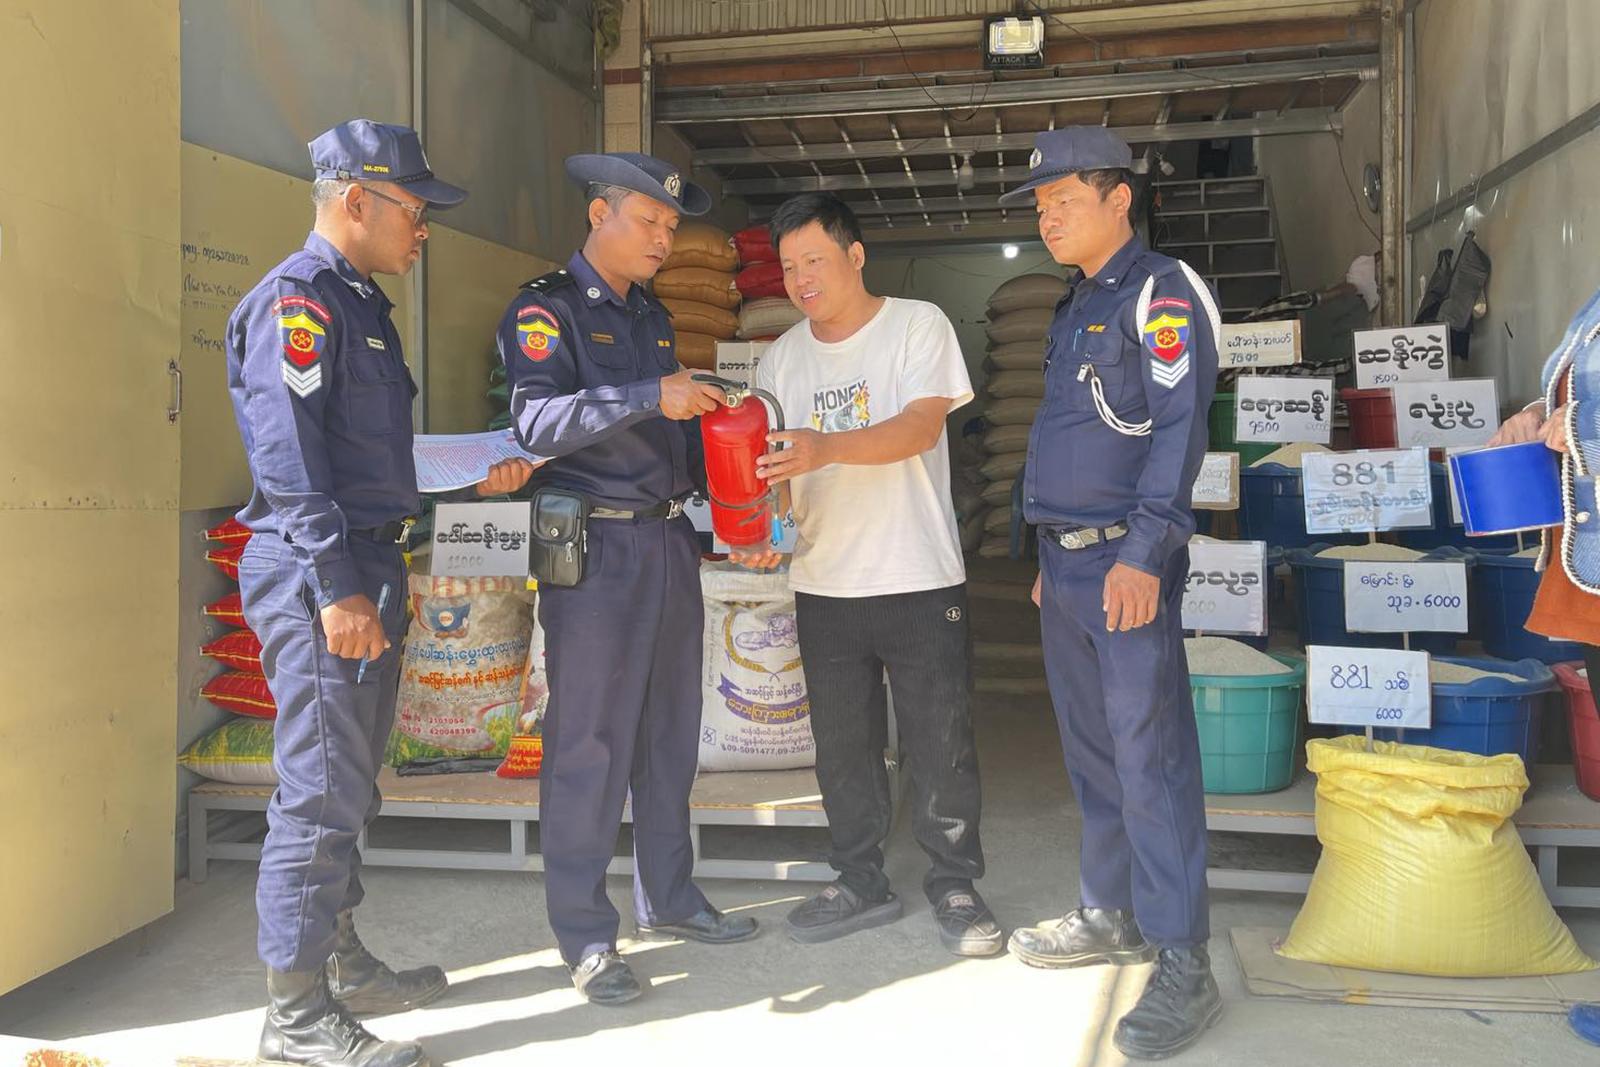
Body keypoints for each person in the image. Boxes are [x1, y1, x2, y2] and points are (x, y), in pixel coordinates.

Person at [227, 119, 536, 1067]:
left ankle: (341, 960)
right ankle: (293, 1016)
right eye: (415, 207)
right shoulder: (298, 304)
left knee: (351, 786)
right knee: (319, 791)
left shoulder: (360, 304)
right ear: (355, 200)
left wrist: (472, 473)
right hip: (320, 574)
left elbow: (372, 458)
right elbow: (289, 463)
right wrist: (337, 588)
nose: (426, 227)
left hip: (365, 565)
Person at [494, 153, 758, 1007]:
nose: (663, 238)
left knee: (669, 733)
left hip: (667, 539)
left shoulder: (652, 314)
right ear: (598, 214)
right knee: (588, 743)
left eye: (672, 226)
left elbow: (669, 436)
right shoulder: (547, 310)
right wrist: (651, 394)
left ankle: (670, 895)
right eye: (649, 221)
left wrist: (735, 490)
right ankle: (584, 934)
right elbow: (536, 423)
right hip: (595, 551)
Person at [995, 127, 1222, 1060]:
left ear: (1118, 197)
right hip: (1069, 564)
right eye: (1039, 204)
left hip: (1127, 563)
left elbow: (1178, 426)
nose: (1047, 217)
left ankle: (1183, 957)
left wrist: (1144, 552)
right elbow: (1068, 431)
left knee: (1149, 758)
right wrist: (1050, 552)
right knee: (1093, 754)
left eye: (1063, 199)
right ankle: (1111, 910)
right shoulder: (1076, 302)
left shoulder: (1160, 292)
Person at [731, 193, 1000, 956]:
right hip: (825, 583)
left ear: (855, 256)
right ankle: (859, 878)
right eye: (789, 266)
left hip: (918, 574)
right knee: (843, 747)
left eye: (814, 260)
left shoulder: (917, 325)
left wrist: (824, 446)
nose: (801, 279)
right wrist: (769, 527)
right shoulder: (780, 358)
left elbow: (919, 427)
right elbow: (779, 471)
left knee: (940, 738)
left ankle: (955, 882)